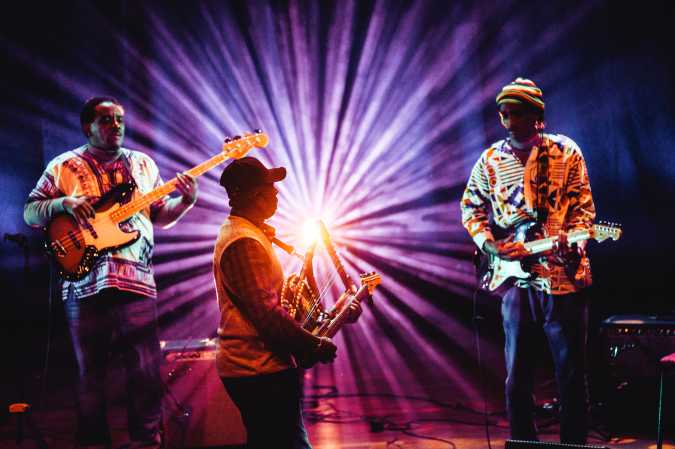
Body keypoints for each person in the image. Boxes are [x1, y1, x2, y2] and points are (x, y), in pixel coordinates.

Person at [24, 96, 198, 449]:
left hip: (136, 282)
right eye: (106, 120)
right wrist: (63, 204)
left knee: (146, 370)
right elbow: (30, 212)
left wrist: (186, 202)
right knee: (90, 374)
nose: (115, 125)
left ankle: (147, 439)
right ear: (87, 126)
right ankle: (93, 441)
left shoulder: (143, 165)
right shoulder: (63, 166)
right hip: (83, 286)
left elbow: (160, 216)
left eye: (119, 119)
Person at [460, 78, 596, 444]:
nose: (507, 119)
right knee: (516, 377)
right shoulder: (490, 160)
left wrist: (576, 244)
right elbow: (470, 207)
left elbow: (584, 210)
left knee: (570, 375)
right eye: (503, 112)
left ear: (538, 117)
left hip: (563, 279)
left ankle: (573, 444)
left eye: (516, 112)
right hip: (516, 282)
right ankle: (524, 443)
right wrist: (491, 247)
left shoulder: (567, 153)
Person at [213, 156, 360, 449]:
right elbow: (266, 315)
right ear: (255, 195)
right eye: (271, 188)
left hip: (259, 369)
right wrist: (313, 344)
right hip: (257, 371)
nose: (277, 194)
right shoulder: (243, 241)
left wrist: (332, 315)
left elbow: (271, 302)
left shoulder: (250, 234)